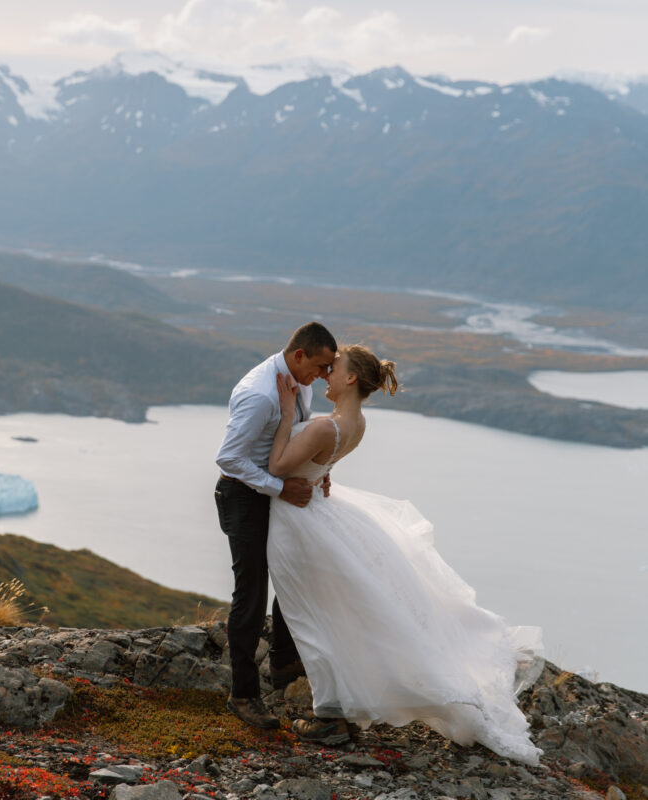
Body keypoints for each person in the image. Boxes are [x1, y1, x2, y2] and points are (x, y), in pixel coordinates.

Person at [266, 345, 544, 764]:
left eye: (333, 369)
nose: (325, 375)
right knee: (324, 610)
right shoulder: (357, 423)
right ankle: (328, 698)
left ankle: (330, 715)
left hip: (300, 523)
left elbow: (275, 468)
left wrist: (287, 413)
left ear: (351, 379)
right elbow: (322, 467)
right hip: (320, 514)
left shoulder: (325, 427)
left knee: (310, 613)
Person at [214, 321, 338, 729]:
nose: (322, 377)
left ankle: (284, 665)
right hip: (243, 496)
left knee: (292, 574)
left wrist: (314, 469)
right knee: (251, 594)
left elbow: (294, 434)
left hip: (274, 491)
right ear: (299, 354)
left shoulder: (299, 380)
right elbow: (229, 458)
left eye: (327, 371)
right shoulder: (260, 394)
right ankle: (243, 696)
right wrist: (279, 487)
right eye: (319, 367)